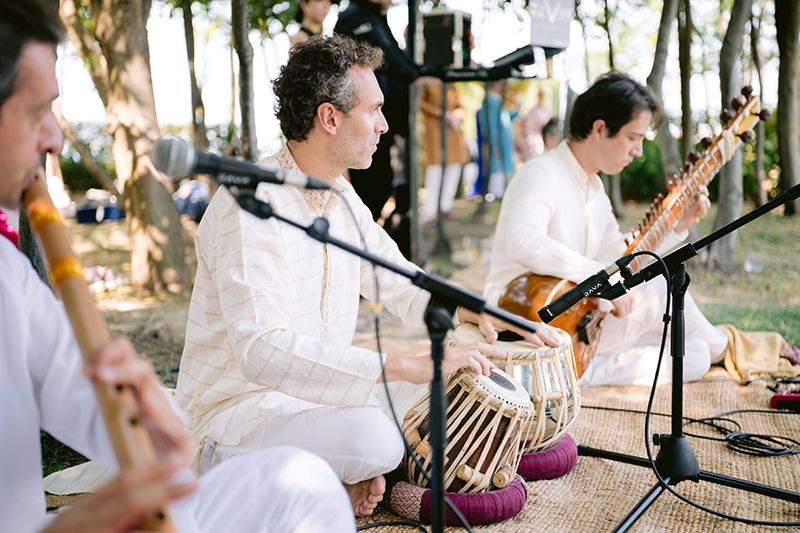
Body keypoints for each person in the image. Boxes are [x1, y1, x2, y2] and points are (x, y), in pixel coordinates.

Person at [0, 1, 355, 531]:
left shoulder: (9, 274)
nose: (53, 137)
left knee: (302, 482)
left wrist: (152, 419)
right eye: (36, 112)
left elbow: (87, 399)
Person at [176, 35, 561, 518]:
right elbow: (262, 352)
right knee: (376, 437)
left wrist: (480, 311)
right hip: (239, 415)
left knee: (452, 383)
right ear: (330, 118)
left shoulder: (339, 195)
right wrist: (403, 364)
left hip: (317, 404)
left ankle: (336, 477)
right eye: (375, 110)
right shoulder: (249, 204)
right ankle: (293, 477)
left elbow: (397, 278)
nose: (384, 124)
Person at [484, 71, 800, 386]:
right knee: (661, 290)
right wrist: (598, 278)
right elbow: (523, 240)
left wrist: (677, 225)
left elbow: (619, 259)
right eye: (633, 138)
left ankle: (581, 372)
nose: (637, 150)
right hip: (526, 324)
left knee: (695, 356)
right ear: (599, 128)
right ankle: (740, 346)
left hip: (578, 325)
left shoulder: (593, 190)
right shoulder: (542, 172)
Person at [334, 0, 421, 257]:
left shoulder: (376, 17)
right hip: (360, 127)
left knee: (382, 188)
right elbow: (390, 59)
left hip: (381, 129)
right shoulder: (354, 18)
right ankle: (354, 254)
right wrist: (417, 75)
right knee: (371, 190)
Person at [419, 79, 470, 225]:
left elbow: (461, 107)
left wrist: (456, 116)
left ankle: (445, 207)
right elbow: (421, 104)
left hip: (453, 135)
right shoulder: (428, 83)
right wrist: (442, 114)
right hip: (435, 134)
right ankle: (429, 213)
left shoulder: (451, 84)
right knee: (435, 172)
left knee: (453, 170)